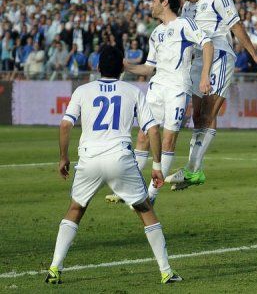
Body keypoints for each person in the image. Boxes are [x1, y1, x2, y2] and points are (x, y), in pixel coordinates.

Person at [44, 45, 183, 285]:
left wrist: (64, 157)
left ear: (97, 67)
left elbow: (66, 125)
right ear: (122, 68)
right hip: (120, 158)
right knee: (145, 209)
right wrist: (158, 165)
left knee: (76, 209)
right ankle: (166, 271)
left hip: (89, 159)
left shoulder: (83, 90)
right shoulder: (132, 91)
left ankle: (55, 269)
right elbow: (151, 129)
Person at [105, 0, 213, 205]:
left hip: (176, 89)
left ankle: (151, 196)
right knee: (144, 137)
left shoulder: (184, 24)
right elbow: (148, 69)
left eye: (153, 1)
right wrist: (127, 66)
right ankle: (131, 189)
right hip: (156, 89)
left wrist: (204, 76)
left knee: (168, 139)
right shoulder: (155, 33)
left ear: (164, 2)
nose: (150, 5)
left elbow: (207, 44)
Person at [168, 0, 257, 190]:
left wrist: (253, 54)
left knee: (208, 113)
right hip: (197, 62)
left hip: (219, 57)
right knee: (196, 114)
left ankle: (192, 169)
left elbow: (236, 26)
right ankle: (194, 171)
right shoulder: (186, 8)